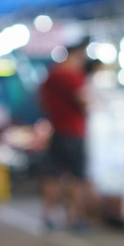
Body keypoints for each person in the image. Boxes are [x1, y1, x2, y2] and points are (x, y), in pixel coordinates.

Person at [39, 41, 91, 230]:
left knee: (52, 175)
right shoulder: (73, 76)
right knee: (78, 177)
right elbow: (83, 101)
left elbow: (43, 102)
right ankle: (76, 218)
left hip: (57, 130)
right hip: (74, 132)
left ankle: (49, 215)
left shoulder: (51, 75)